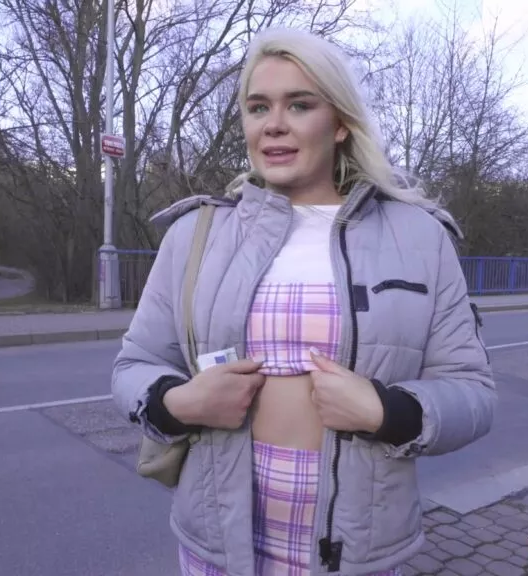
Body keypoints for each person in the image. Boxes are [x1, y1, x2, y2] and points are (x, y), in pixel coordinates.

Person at [112, 27, 497, 576]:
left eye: (299, 104)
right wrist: (179, 403)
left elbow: (473, 392)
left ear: (340, 123)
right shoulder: (195, 234)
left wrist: (387, 411)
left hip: (356, 555)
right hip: (217, 549)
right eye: (258, 107)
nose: (273, 124)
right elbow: (135, 365)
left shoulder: (419, 237)